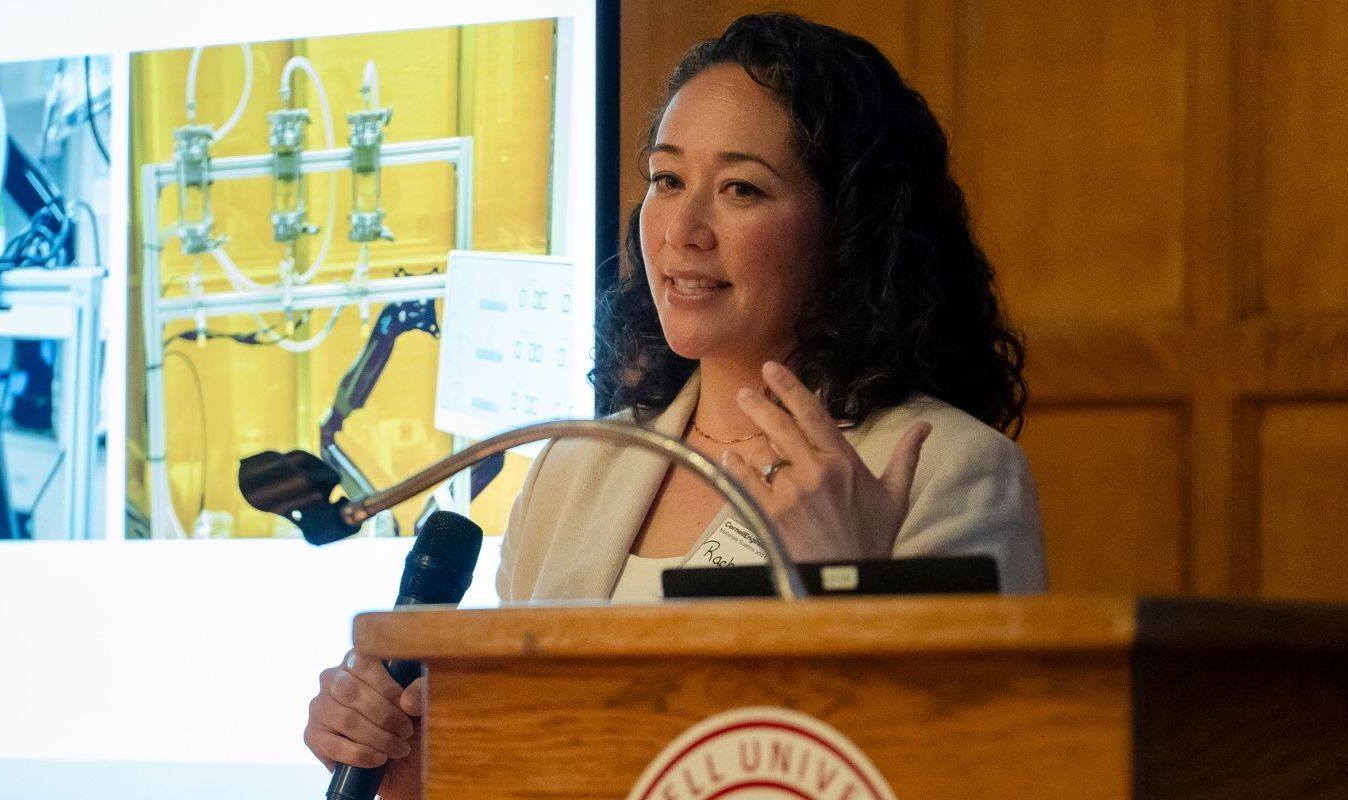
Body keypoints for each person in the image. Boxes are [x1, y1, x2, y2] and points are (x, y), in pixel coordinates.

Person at [302, 12, 1044, 797]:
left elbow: (954, 774)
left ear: (851, 228)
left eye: (740, 189)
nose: (683, 231)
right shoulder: (574, 468)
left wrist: (843, 592)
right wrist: (428, 769)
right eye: (667, 181)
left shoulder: (949, 473)